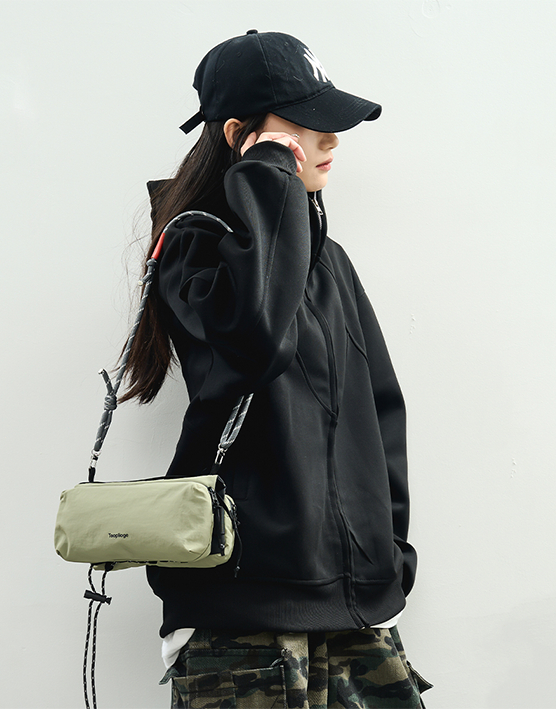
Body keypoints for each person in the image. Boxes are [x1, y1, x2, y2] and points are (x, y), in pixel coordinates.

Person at [121, 30, 431, 709]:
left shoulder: (330, 260)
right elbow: (256, 338)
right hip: (242, 614)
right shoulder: (192, 246)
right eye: (304, 123)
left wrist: (389, 555)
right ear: (241, 135)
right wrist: (268, 174)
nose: (331, 139)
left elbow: (381, 411)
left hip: (357, 610)